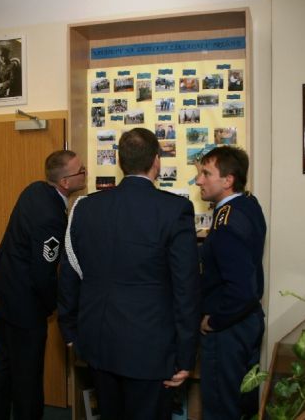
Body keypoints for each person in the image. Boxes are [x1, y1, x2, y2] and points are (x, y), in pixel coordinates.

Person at [58, 128, 200, 420]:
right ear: (156, 161)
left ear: (120, 162)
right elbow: (186, 288)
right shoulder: (175, 210)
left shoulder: (84, 208)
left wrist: (70, 331)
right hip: (150, 348)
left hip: (98, 342)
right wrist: (186, 355)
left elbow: (69, 274)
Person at [0, 150, 86, 420]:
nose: (85, 173)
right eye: (81, 171)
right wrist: (52, 305)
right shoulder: (51, 215)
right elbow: (43, 272)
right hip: (24, 305)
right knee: (27, 375)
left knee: (3, 364)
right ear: (65, 182)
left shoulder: (35, 190)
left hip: (4, 293)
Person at [195, 145, 266, 419]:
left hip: (229, 328)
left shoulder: (226, 222)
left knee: (220, 406)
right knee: (242, 403)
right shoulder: (247, 204)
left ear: (228, 180)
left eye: (206, 173)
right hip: (246, 321)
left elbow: (240, 289)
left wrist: (214, 321)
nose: (199, 180)